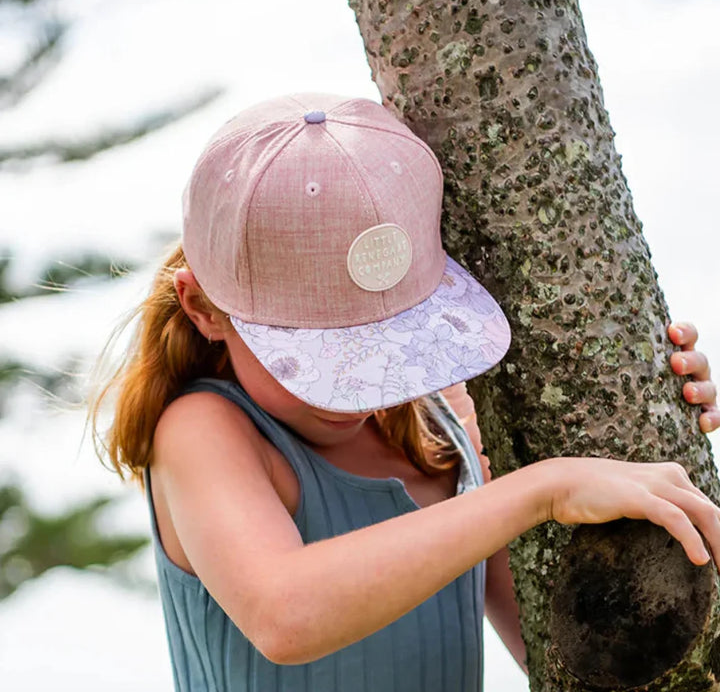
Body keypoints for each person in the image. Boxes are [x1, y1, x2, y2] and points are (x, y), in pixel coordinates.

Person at [89, 93, 720, 692]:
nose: (354, 397)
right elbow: (285, 615)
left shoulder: (447, 424)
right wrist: (543, 488)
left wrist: (645, 410)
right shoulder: (204, 429)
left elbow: (552, 646)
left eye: (384, 344)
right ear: (202, 308)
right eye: (317, 358)